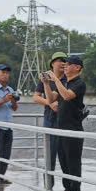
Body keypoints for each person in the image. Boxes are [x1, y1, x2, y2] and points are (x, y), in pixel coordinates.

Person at [49, 55, 87, 191]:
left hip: (73, 128)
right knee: (63, 160)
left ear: (77, 67)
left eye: (68, 64)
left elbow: (66, 96)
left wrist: (55, 79)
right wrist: (46, 83)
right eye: (64, 64)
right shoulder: (64, 82)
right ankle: (67, 190)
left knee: (73, 161)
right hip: (61, 127)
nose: (65, 66)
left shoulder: (79, 83)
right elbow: (51, 98)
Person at [31, 51, 66, 182]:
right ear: (52, 64)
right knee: (49, 155)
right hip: (50, 120)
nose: (63, 63)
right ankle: (48, 186)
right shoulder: (46, 79)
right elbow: (35, 97)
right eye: (59, 60)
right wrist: (49, 103)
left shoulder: (67, 79)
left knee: (65, 155)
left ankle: (68, 188)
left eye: (65, 61)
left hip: (65, 120)